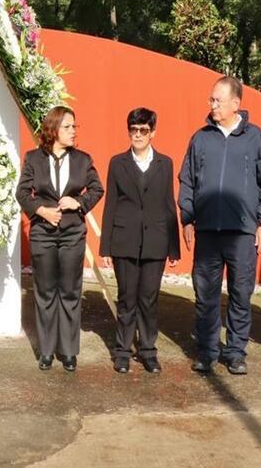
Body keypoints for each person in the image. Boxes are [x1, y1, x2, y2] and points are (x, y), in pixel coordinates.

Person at [179, 76, 261, 375]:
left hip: (243, 232)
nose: (212, 105)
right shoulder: (200, 138)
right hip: (207, 231)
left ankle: (235, 352)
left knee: (240, 293)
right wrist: (187, 217)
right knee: (205, 293)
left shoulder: (256, 138)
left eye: (217, 100)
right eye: (211, 100)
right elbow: (187, 180)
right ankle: (208, 351)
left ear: (236, 103)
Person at [17, 106, 104, 372]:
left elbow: (97, 189)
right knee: (45, 292)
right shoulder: (33, 158)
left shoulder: (82, 159)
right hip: (43, 233)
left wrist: (77, 202)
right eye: (68, 127)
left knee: (69, 291)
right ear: (53, 129)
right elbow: (22, 192)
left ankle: (67, 351)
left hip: (72, 234)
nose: (73, 131)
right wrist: (40, 210)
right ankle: (46, 350)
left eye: (75, 127)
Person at [99, 107, 180, 375]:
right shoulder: (117, 162)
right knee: (127, 299)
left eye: (143, 130)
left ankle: (147, 351)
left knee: (149, 299)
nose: (138, 135)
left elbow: (170, 204)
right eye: (133, 130)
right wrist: (106, 246)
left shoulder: (165, 163)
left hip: (156, 241)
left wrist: (174, 246)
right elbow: (111, 204)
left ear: (153, 132)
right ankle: (122, 352)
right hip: (125, 240)